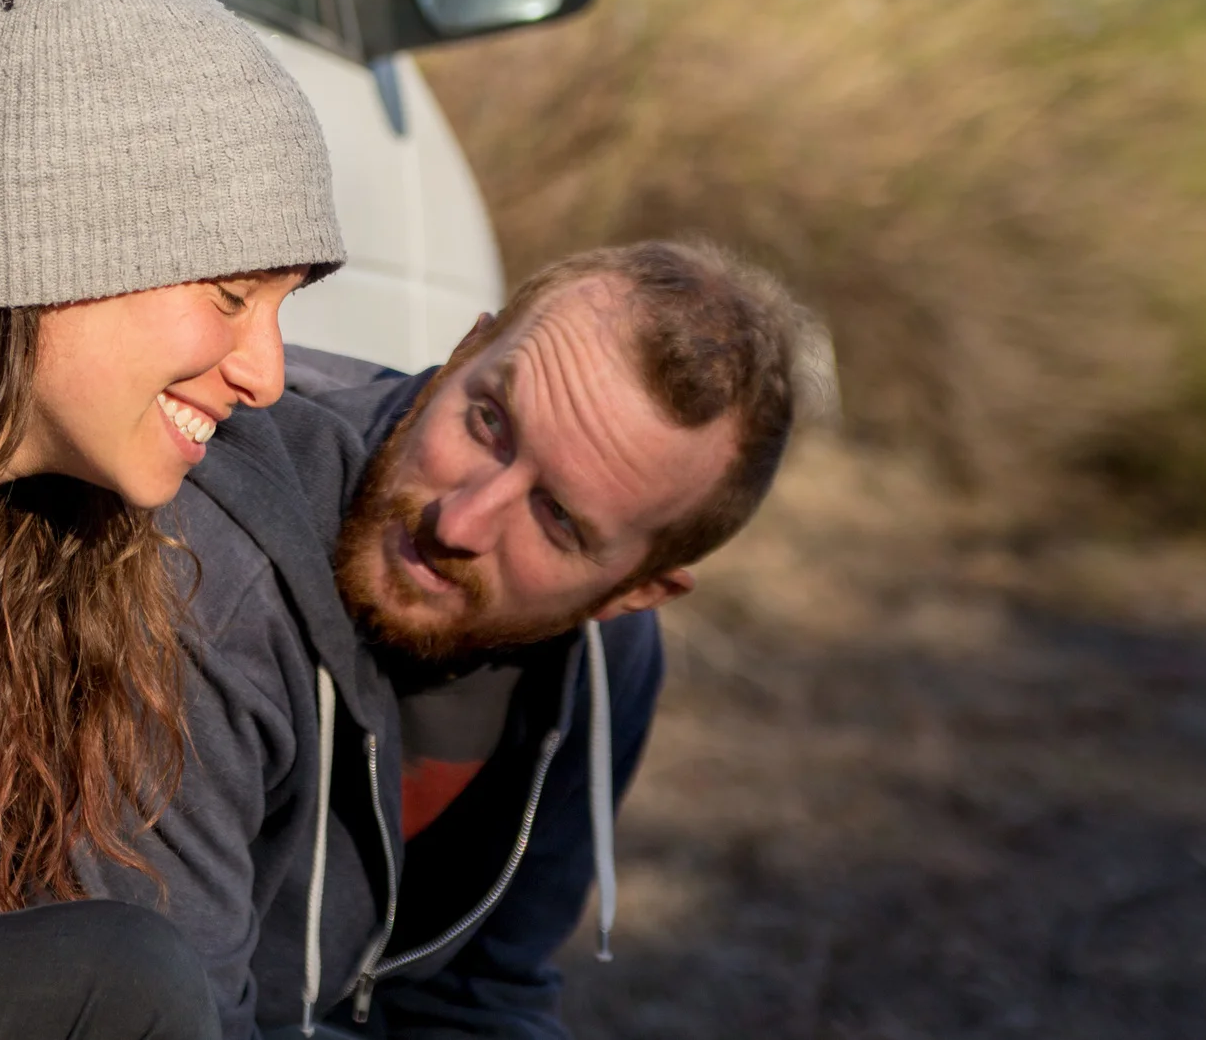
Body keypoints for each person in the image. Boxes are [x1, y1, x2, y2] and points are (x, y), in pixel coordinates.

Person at [93, 240, 823, 1039]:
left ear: (631, 593)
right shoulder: (206, 564)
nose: (460, 522)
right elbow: (160, 1014)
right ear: (464, 351)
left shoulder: (605, 661)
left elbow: (480, 996)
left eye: (557, 519)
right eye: (489, 421)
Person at [0, 0, 346, 1040]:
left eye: (280, 311)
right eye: (229, 295)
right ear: (45, 243)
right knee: (125, 982)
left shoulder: (38, 567)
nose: (266, 374)